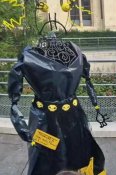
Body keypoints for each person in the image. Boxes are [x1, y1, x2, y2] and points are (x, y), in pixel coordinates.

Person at [7, 35, 105, 175]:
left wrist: (97, 107)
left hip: (67, 115)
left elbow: (88, 80)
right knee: (46, 158)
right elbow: (14, 97)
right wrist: (21, 126)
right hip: (49, 117)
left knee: (76, 153)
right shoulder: (30, 57)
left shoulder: (75, 53)